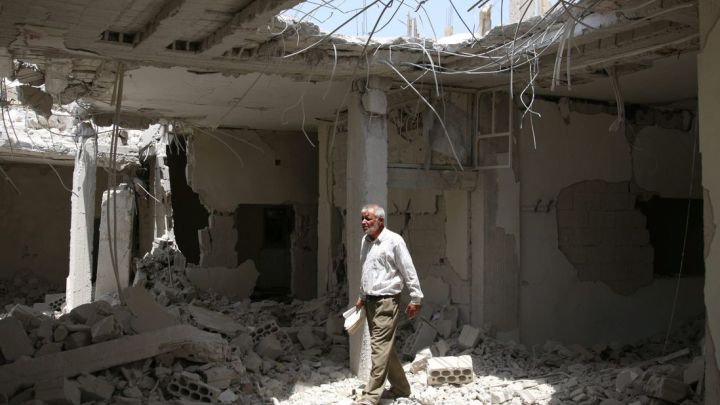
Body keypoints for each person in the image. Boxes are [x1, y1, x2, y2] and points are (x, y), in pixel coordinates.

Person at [354, 203, 423, 405]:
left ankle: (371, 396)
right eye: (362, 218)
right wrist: (362, 295)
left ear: (381, 221)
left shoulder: (394, 241)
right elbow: (366, 269)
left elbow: (408, 270)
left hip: (387, 301)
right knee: (385, 347)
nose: (364, 222)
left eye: (368, 219)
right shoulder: (365, 241)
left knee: (378, 348)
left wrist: (416, 298)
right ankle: (401, 387)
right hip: (370, 300)